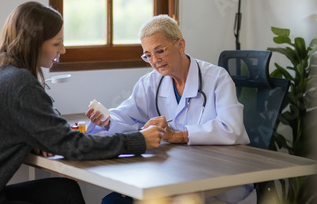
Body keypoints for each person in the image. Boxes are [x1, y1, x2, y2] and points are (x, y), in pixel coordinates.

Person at [0, 1, 163, 204]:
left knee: (63, 192)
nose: (63, 49)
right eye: (56, 43)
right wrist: (138, 140)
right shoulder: (19, 83)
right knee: (65, 196)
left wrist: (34, 140)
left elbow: (6, 128)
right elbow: (73, 146)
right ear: (33, 42)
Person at [86, 15, 256, 203]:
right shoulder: (151, 82)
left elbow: (231, 129)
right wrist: (106, 119)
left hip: (217, 181)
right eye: (148, 55)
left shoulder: (216, 79)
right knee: (112, 201)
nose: (155, 60)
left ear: (180, 46)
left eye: (160, 51)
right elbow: (127, 113)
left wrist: (178, 136)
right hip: (173, 173)